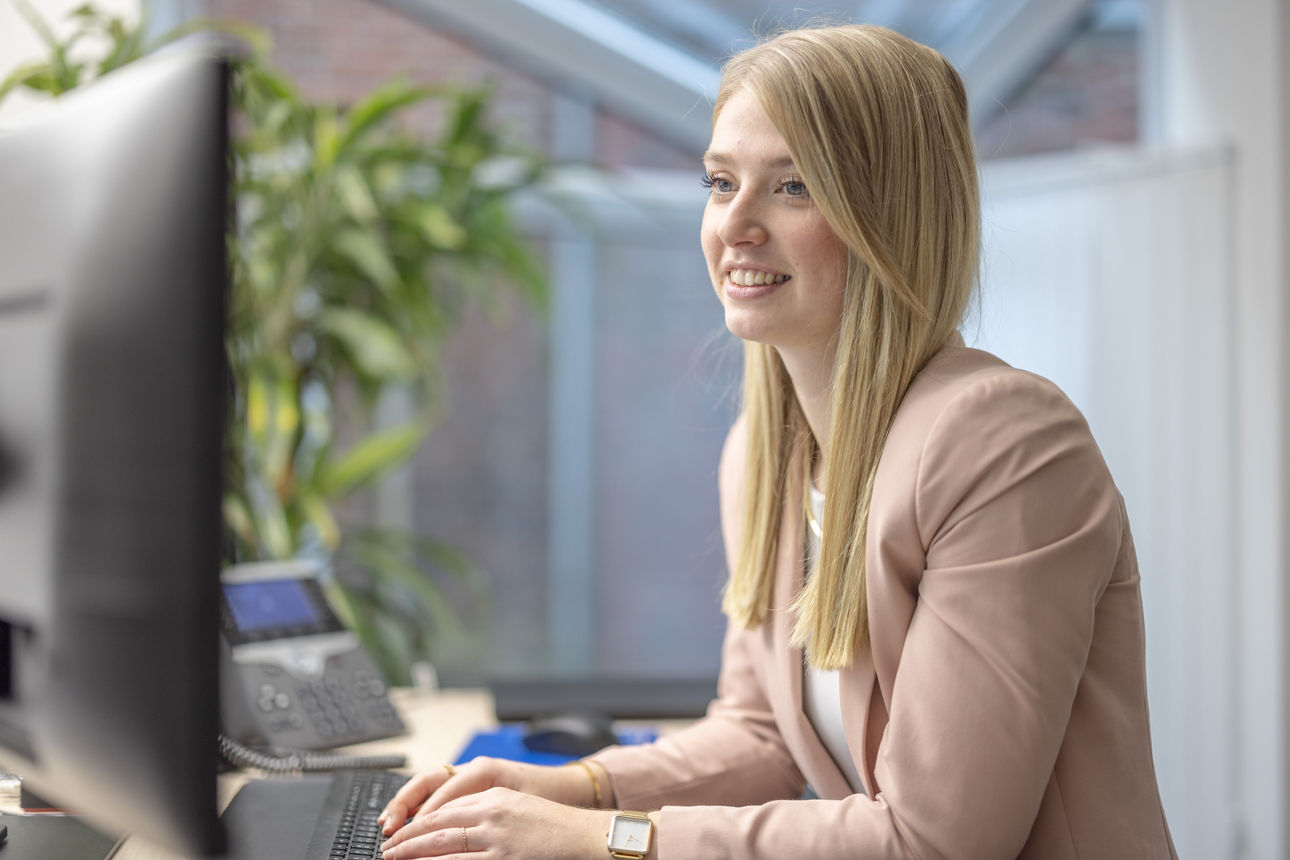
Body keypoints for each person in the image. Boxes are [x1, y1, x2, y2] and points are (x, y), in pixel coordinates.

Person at [377, 23, 1177, 859]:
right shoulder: (767, 455)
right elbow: (761, 734)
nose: (736, 226)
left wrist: (599, 839)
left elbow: (935, 841)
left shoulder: (1005, 447)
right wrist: (576, 786)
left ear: (888, 216)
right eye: (721, 183)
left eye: (793, 187)